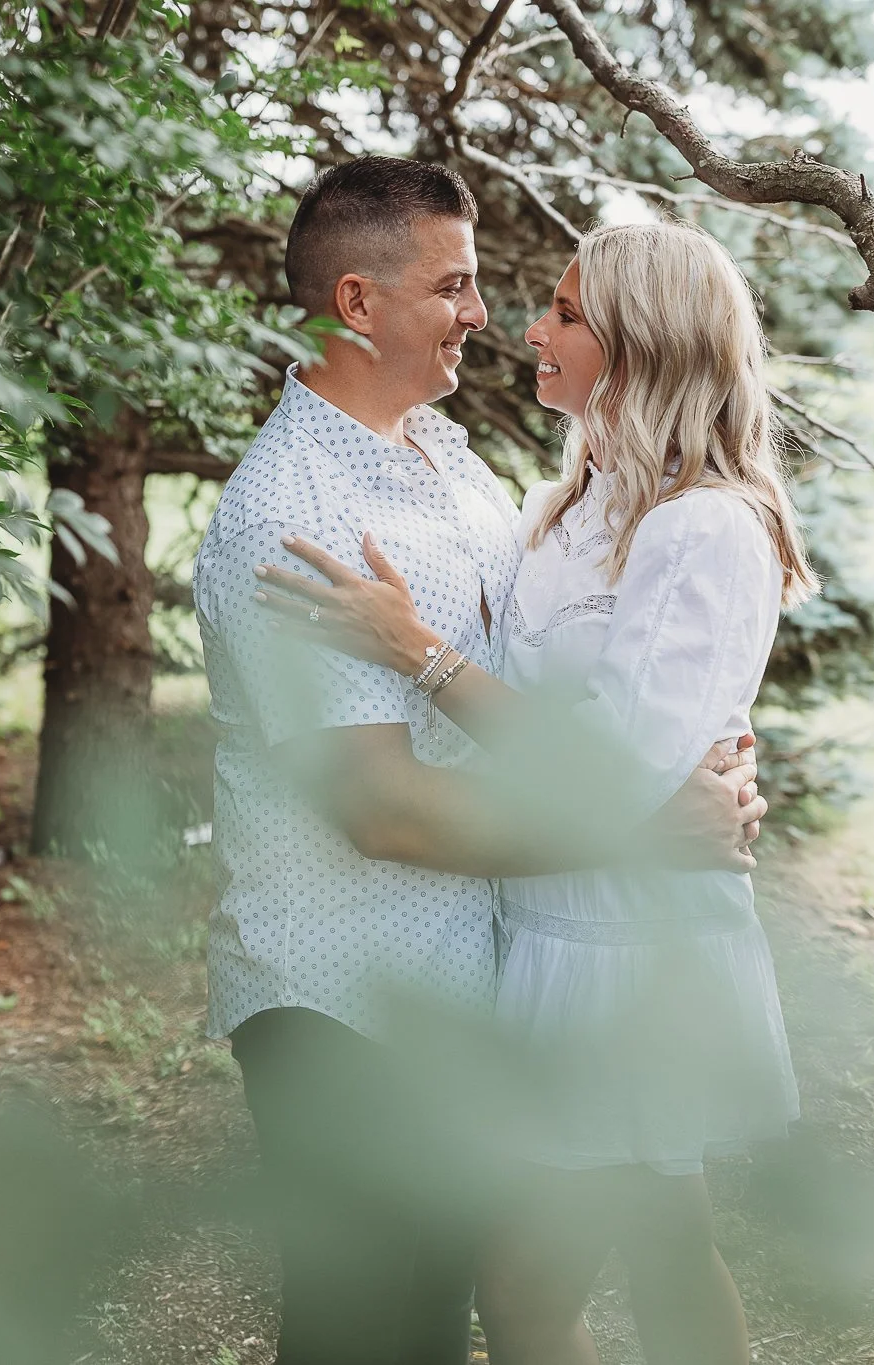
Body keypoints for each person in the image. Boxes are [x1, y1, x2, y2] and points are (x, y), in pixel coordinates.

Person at [191, 158, 766, 1365]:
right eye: (455, 286)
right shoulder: (292, 510)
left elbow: (570, 667)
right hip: (340, 991)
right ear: (357, 304)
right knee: (364, 1329)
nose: (485, 314)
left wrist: (693, 733)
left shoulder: (447, 461)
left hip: (469, 977)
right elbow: (384, 812)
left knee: (446, 1316)